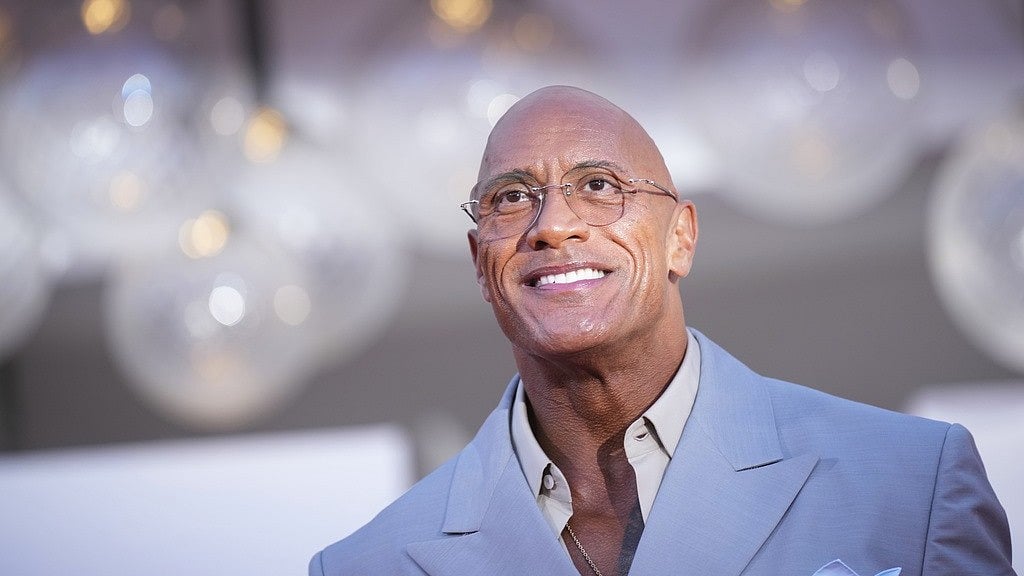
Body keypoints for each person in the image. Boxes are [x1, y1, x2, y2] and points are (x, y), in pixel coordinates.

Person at [309, 86, 1014, 576]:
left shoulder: (915, 485)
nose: (552, 225)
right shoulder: (369, 565)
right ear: (479, 261)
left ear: (682, 238)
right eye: (512, 197)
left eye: (599, 186)